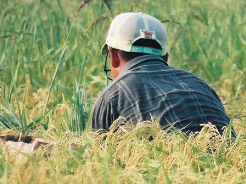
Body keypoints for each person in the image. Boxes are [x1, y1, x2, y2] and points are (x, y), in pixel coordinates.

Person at [91, 12, 233, 135]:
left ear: (113, 55)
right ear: (165, 57)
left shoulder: (113, 95)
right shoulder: (202, 86)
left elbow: (96, 159)